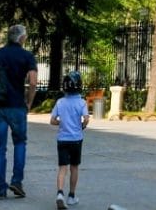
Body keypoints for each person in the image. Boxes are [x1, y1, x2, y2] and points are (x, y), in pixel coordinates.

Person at [0, 24, 38, 200]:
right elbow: (33, 82)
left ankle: (0, 189)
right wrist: (29, 102)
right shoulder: (27, 56)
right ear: (22, 38)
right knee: (20, 143)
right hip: (17, 107)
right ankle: (17, 181)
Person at [50, 70, 90, 209]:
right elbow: (86, 119)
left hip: (62, 139)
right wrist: (81, 126)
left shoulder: (60, 102)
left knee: (62, 168)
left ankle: (60, 193)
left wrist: (62, 123)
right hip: (76, 139)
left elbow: (52, 121)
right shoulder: (82, 102)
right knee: (74, 167)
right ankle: (71, 196)